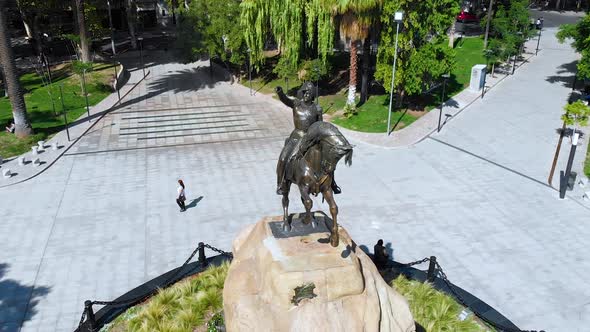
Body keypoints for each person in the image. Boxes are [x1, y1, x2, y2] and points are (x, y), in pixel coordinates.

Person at [275, 82, 341, 195]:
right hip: (297, 137)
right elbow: (285, 100)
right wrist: (280, 92)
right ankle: (281, 184)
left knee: (328, 158)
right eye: (305, 92)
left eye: (309, 93)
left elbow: (320, 125)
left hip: (311, 137)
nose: (306, 95)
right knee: (283, 158)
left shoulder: (317, 108)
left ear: (312, 95)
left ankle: (332, 183)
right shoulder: (296, 104)